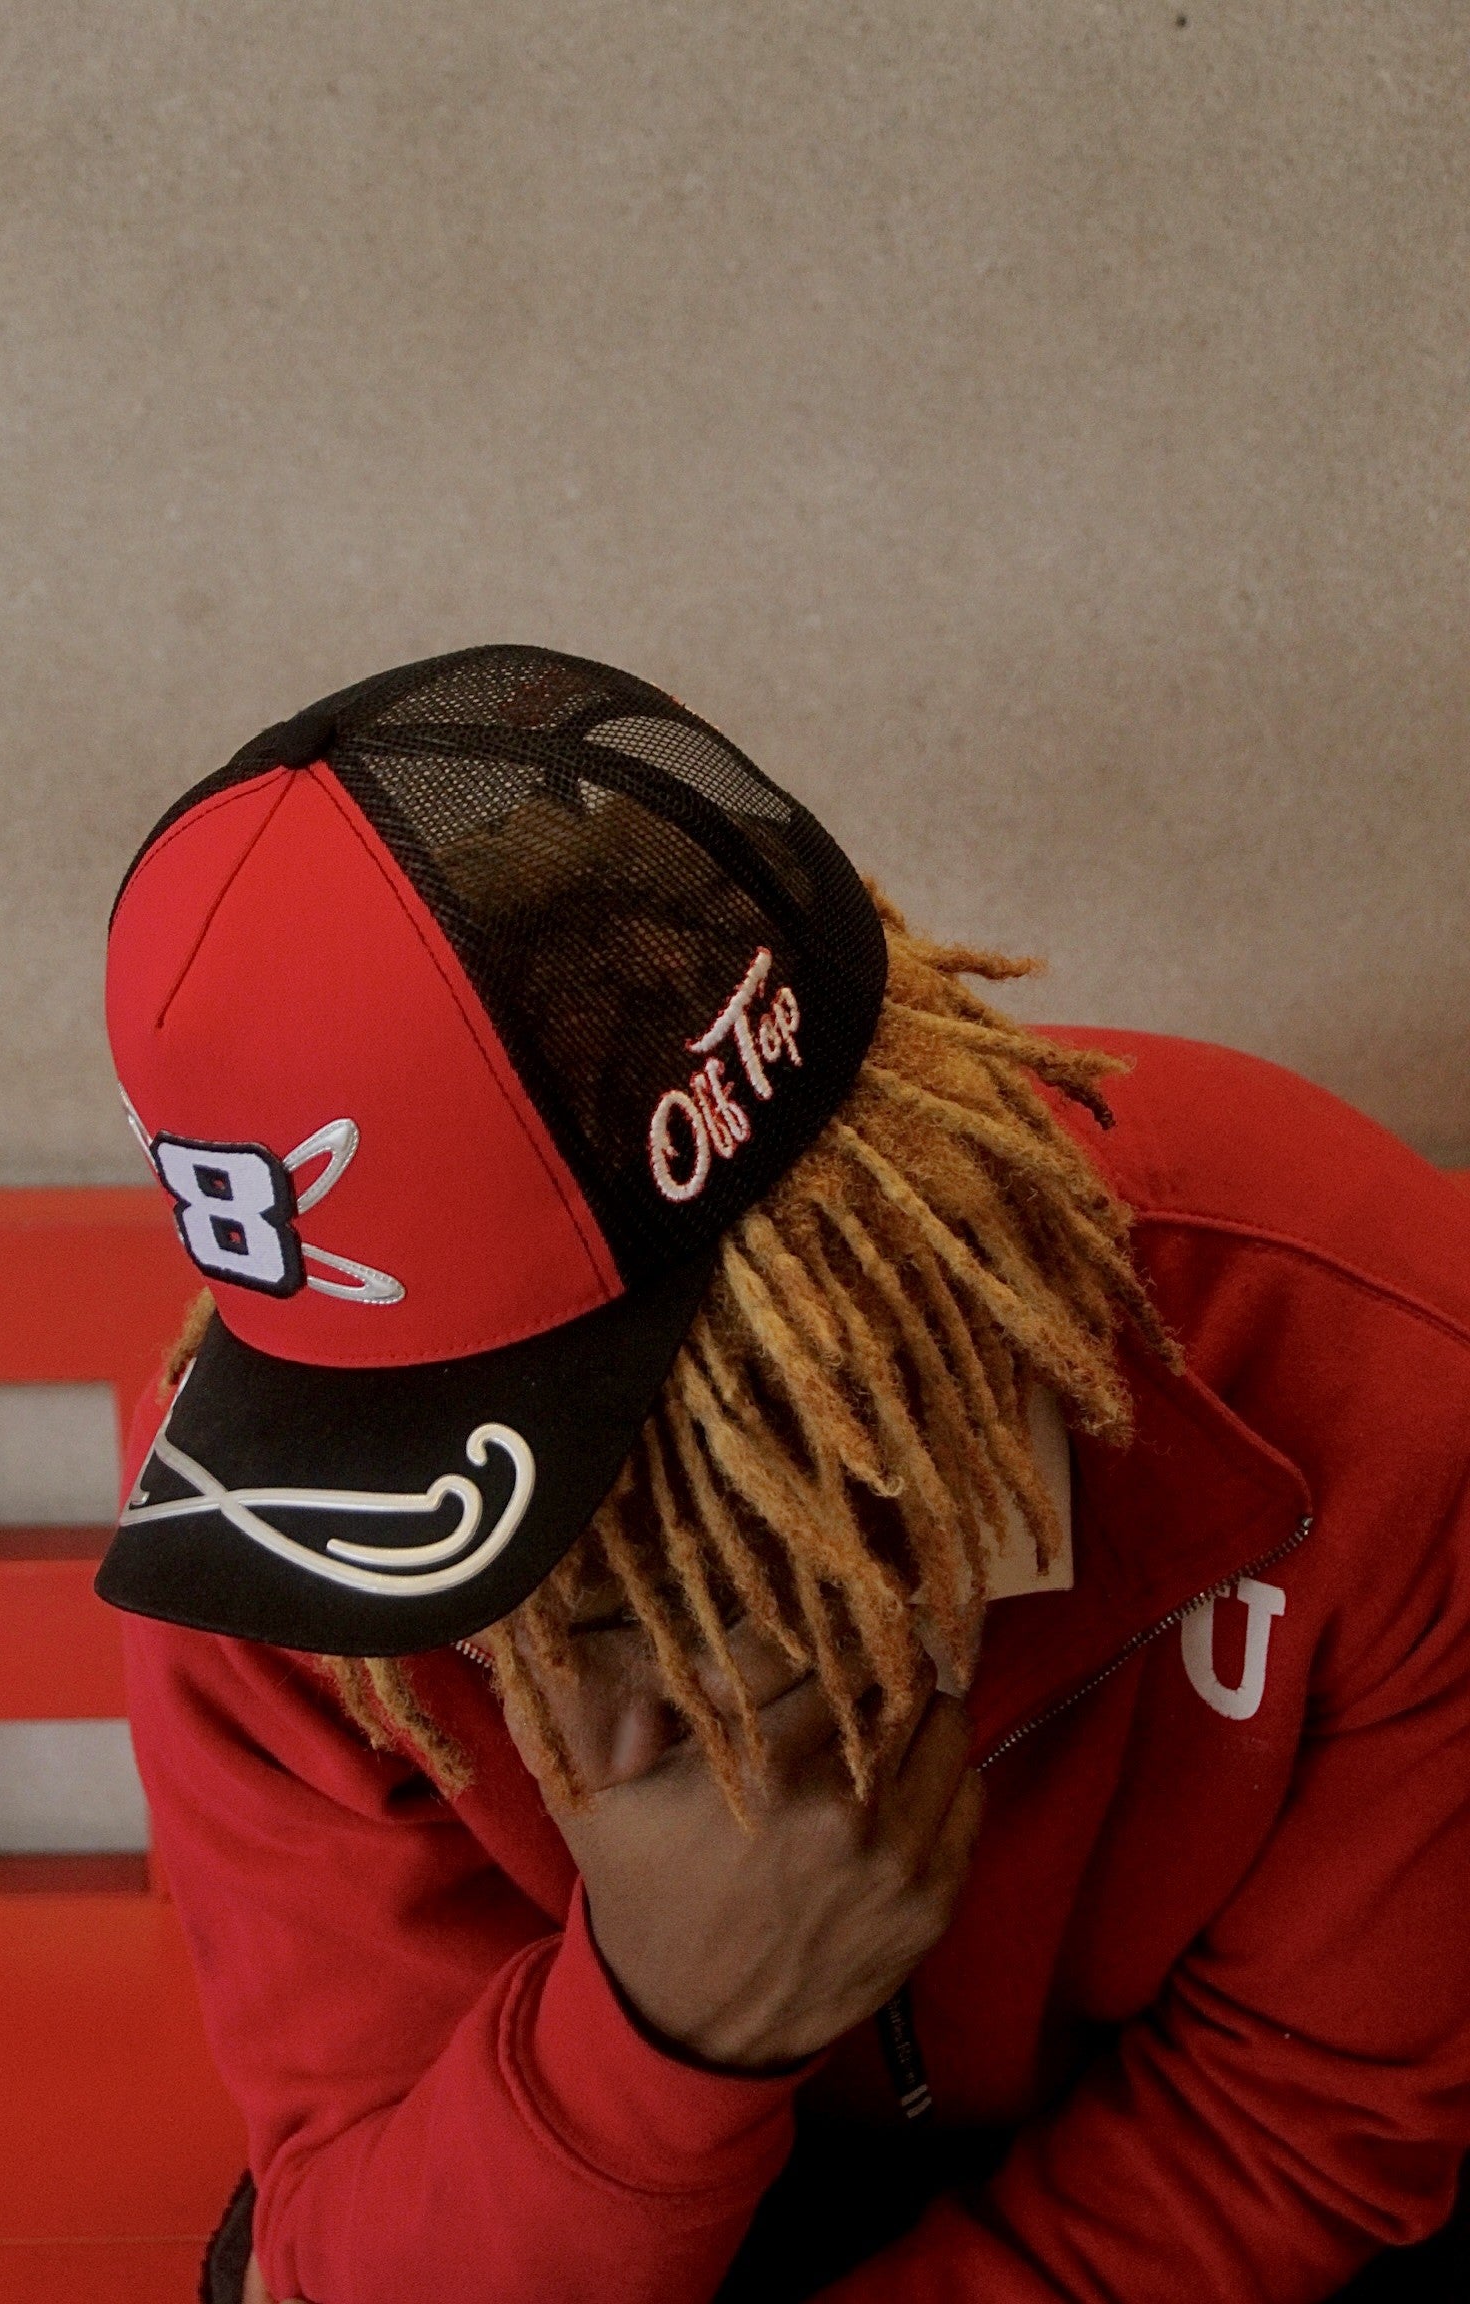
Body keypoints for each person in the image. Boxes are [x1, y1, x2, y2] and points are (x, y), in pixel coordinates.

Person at [98, 646, 1470, 2304]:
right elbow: (360, 2253)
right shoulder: (264, 1536)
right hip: (607, 2195)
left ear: (844, 1259)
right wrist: (664, 2031)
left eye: (602, 1461)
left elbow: (1304, 2129)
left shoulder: (1361, 1349)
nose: (572, 1675)